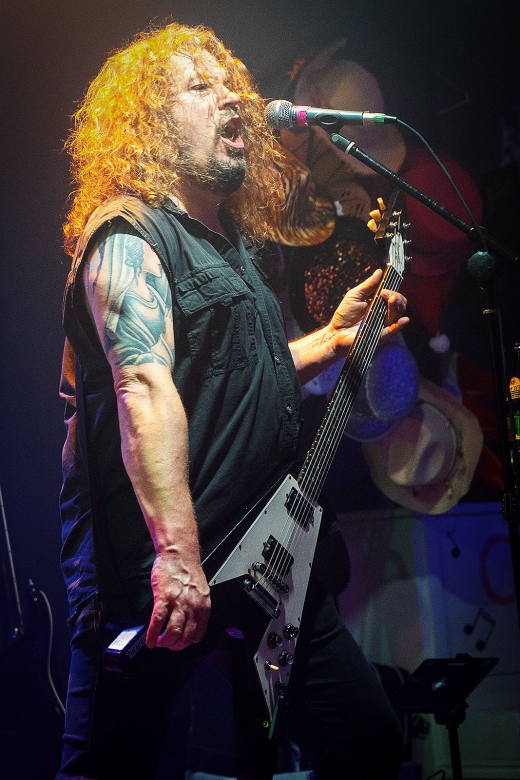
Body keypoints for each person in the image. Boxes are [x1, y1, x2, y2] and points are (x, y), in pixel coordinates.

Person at [58, 21, 409, 780]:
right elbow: (144, 385)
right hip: (159, 572)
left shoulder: (231, 245)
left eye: (231, 88)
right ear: (152, 123)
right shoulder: (127, 234)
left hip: (264, 554)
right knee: (110, 768)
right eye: (200, 87)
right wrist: (177, 557)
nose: (231, 100)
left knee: (371, 739)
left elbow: (235, 377)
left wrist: (329, 341)